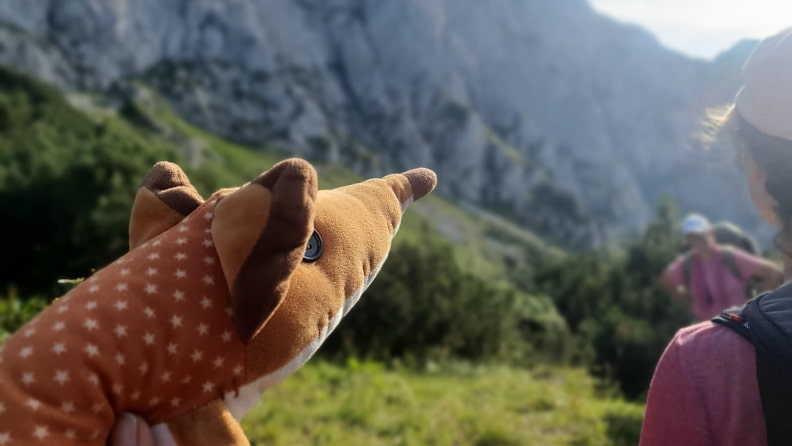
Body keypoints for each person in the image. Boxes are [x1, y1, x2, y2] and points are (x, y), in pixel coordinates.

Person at [641, 28, 792, 445]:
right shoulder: (693, 268)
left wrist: (758, 309)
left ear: (758, 174)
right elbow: (669, 280)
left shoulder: (698, 362)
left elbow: (762, 272)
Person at [660, 213, 782, 322]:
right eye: (692, 237)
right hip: (703, 325)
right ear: (688, 240)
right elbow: (666, 280)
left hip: (737, 322)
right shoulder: (688, 263)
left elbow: (773, 273)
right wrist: (688, 300)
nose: (697, 240)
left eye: (700, 235)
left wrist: (755, 305)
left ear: (710, 234)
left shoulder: (730, 257)